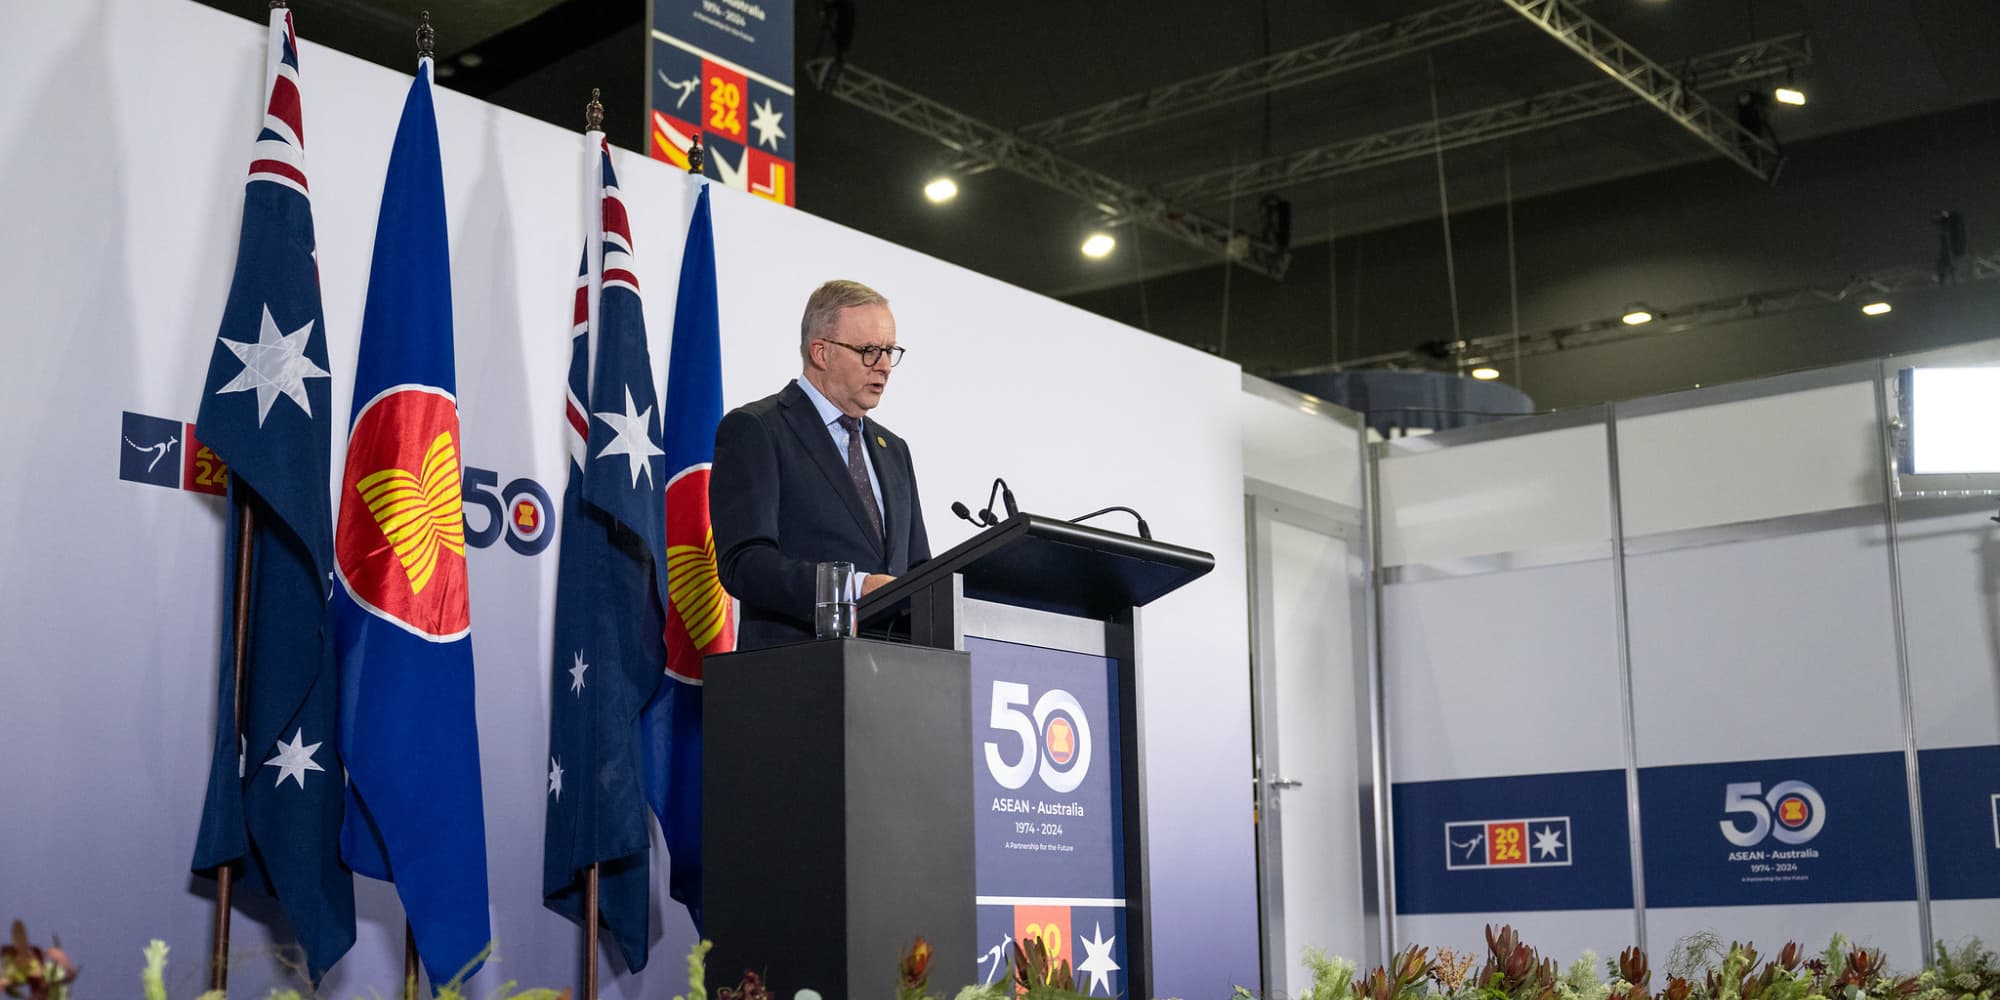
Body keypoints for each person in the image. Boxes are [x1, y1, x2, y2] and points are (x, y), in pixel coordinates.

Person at [710, 280, 932, 649]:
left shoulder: (894, 450)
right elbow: (745, 563)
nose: (884, 366)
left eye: (890, 351)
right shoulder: (758, 429)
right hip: (798, 673)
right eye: (869, 351)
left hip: (893, 677)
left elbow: (918, 569)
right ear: (821, 353)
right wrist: (853, 587)